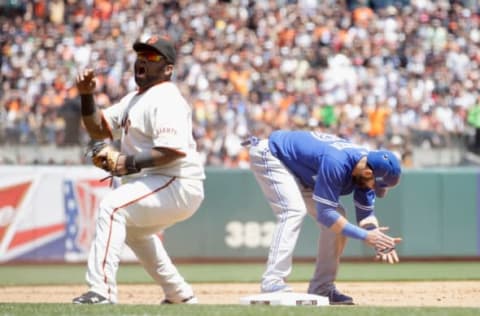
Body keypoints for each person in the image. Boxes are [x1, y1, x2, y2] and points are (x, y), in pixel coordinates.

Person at [72, 34, 205, 304]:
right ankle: (179, 294)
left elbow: (172, 150)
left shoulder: (166, 97)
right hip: (158, 181)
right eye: (140, 55)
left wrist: (127, 162)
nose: (143, 61)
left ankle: (102, 290)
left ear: (168, 68)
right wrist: (87, 96)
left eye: (152, 56)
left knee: (112, 207)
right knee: (135, 232)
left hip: (177, 181)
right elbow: (98, 128)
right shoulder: (134, 99)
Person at [244, 130, 402, 305]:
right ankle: (272, 282)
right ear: (367, 174)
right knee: (293, 210)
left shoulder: (365, 168)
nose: (374, 189)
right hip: (273, 154)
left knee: (339, 216)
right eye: (376, 185)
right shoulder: (337, 162)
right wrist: (365, 236)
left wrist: (376, 236)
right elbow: (326, 215)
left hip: (301, 172)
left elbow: (365, 216)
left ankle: (322, 288)